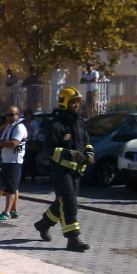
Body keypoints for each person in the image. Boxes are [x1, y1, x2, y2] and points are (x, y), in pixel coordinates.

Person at [34, 87, 93, 251]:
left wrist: (89, 153)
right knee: (69, 203)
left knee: (64, 202)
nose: (77, 104)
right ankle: (73, 239)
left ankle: (43, 224)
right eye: (73, 101)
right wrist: (69, 153)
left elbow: (87, 142)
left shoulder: (80, 123)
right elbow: (49, 150)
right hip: (61, 171)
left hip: (76, 171)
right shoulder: (55, 125)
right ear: (64, 102)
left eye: (78, 101)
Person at [0, 106, 27, 220]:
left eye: (11, 115)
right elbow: (4, 141)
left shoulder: (19, 128)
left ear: (17, 115)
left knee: (10, 188)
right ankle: (14, 210)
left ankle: (7, 212)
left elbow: (13, 143)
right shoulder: (9, 127)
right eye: (7, 115)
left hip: (14, 161)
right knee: (13, 187)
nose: (8, 117)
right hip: (7, 160)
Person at [22, 109, 40, 181]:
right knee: (24, 159)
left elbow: (35, 131)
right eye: (26, 114)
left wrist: (28, 125)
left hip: (32, 142)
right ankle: (23, 175)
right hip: (25, 142)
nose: (27, 115)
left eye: (29, 114)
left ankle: (33, 176)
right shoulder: (23, 123)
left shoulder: (33, 122)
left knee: (31, 160)